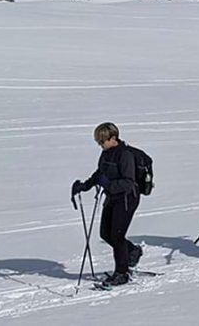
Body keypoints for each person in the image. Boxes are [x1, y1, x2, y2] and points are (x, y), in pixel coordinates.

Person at [70, 122, 142, 287]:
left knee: (117, 236)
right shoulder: (106, 154)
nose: (100, 144)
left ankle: (122, 273)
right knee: (105, 234)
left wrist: (108, 185)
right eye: (98, 141)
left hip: (127, 198)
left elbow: (129, 182)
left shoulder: (125, 155)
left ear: (113, 138)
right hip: (112, 197)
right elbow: (100, 173)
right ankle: (132, 251)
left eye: (102, 141)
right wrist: (84, 186)